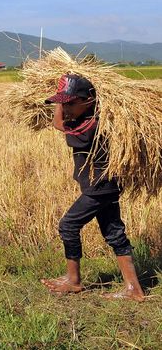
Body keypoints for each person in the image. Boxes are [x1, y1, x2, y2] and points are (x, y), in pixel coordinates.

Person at [40, 74, 145, 301]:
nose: (66, 108)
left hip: (99, 188)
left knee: (68, 226)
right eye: (63, 103)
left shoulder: (91, 125)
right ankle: (133, 288)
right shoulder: (93, 117)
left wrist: (59, 103)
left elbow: (58, 124)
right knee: (114, 233)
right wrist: (62, 99)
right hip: (106, 186)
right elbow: (65, 119)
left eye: (70, 103)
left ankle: (74, 281)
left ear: (89, 99)